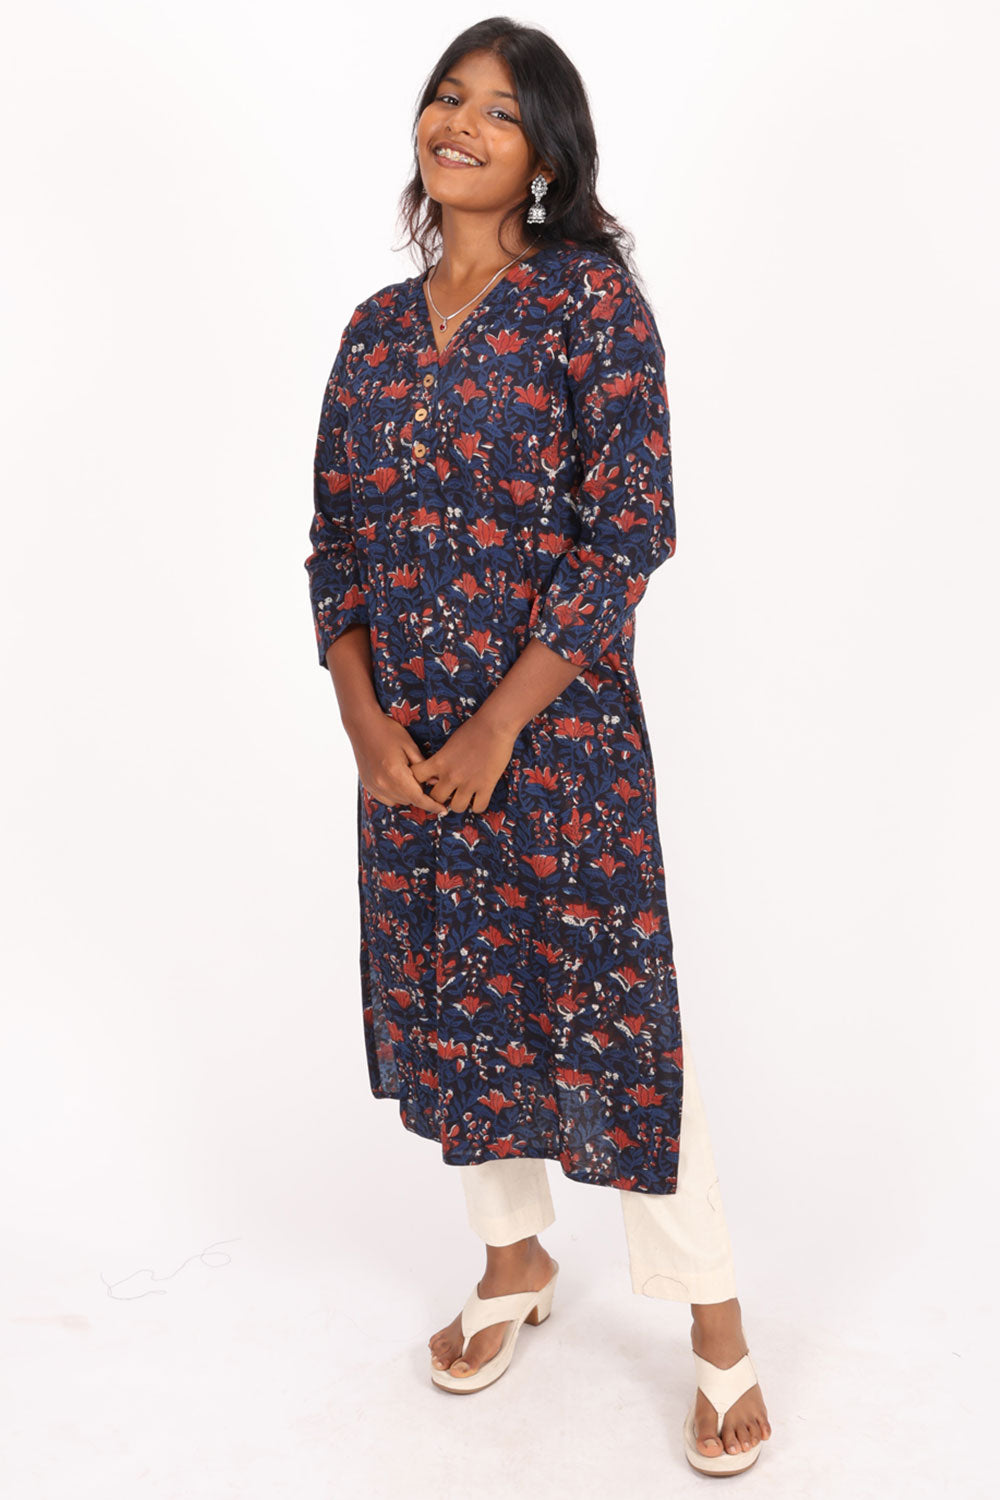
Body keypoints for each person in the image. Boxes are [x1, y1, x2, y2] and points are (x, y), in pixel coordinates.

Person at [304, 19, 772, 1475]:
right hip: (411, 752)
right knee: (463, 999)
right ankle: (515, 1257)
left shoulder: (587, 306)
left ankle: (714, 1316)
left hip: (557, 741)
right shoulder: (376, 333)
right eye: (447, 96)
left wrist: (503, 720)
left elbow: (631, 527)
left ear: (547, 155)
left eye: (499, 111)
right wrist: (366, 722)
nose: (459, 123)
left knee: (614, 1013)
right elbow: (334, 546)